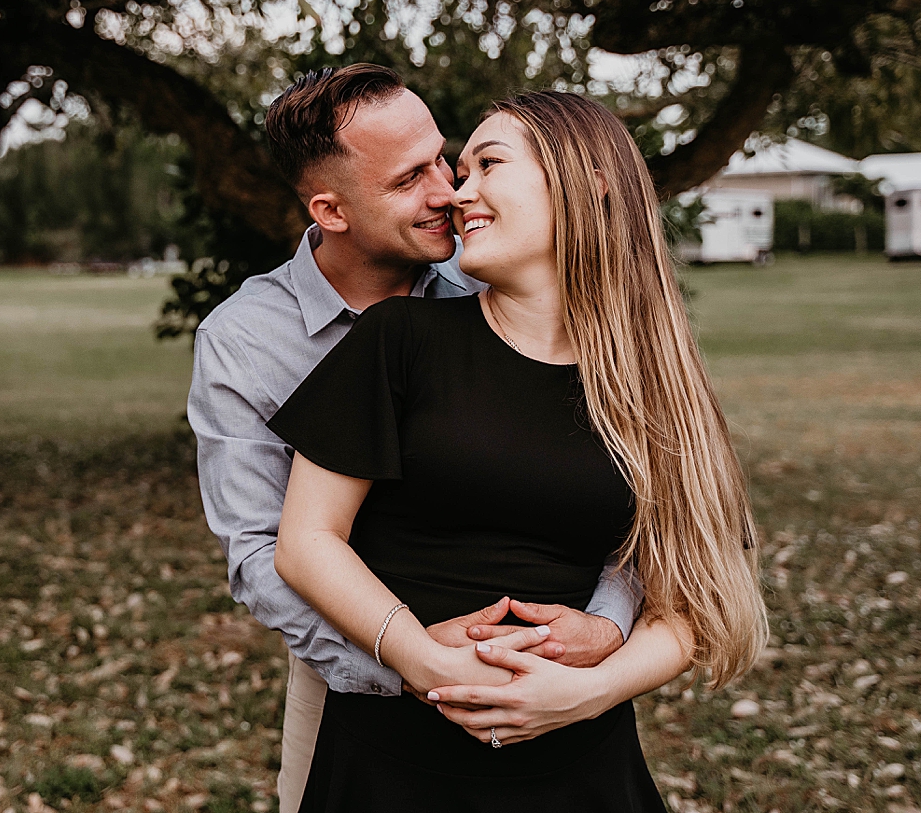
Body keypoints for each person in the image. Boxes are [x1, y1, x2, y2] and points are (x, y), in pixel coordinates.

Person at [269, 90, 768, 810]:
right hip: (393, 765)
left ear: (587, 181)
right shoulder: (400, 340)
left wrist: (589, 691)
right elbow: (306, 540)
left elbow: (695, 596)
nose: (459, 192)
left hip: (578, 769)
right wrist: (424, 659)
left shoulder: (655, 382)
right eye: (459, 170)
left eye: (486, 164)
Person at [188, 66, 645, 813]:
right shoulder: (244, 342)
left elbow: (616, 492)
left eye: (446, 157)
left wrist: (598, 629)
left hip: (542, 671)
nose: (449, 192)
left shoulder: (499, 276)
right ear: (330, 210)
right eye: (410, 179)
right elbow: (260, 548)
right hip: (352, 671)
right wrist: (411, 660)